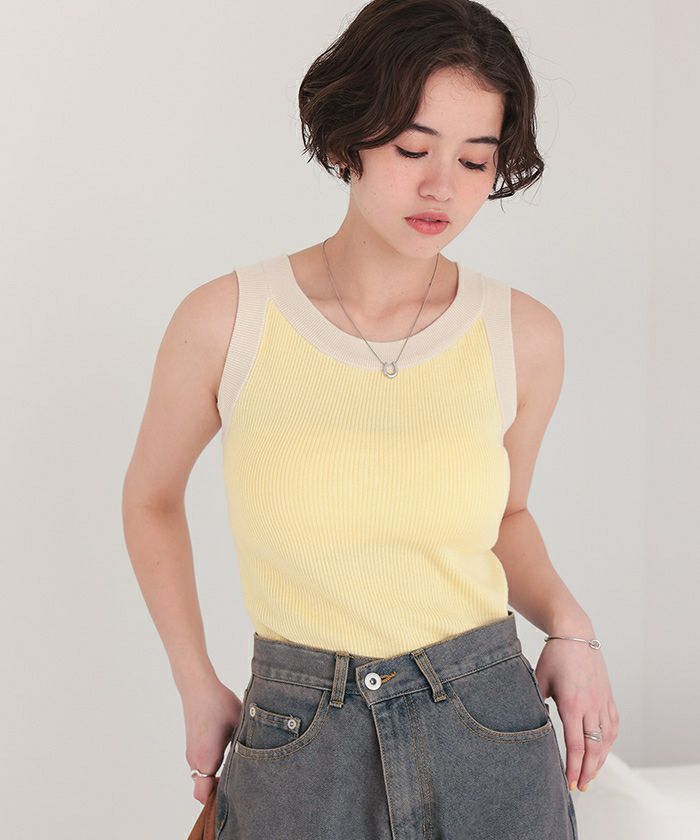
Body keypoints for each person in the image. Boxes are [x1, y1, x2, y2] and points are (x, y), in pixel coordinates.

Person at [122, 1, 619, 837]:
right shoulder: (229, 321)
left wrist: (573, 631)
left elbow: (507, 515)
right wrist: (194, 679)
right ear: (346, 139)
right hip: (298, 735)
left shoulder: (523, 335)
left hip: (487, 723)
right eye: (412, 149)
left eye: (474, 160)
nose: (442, 187)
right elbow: (150, 498)